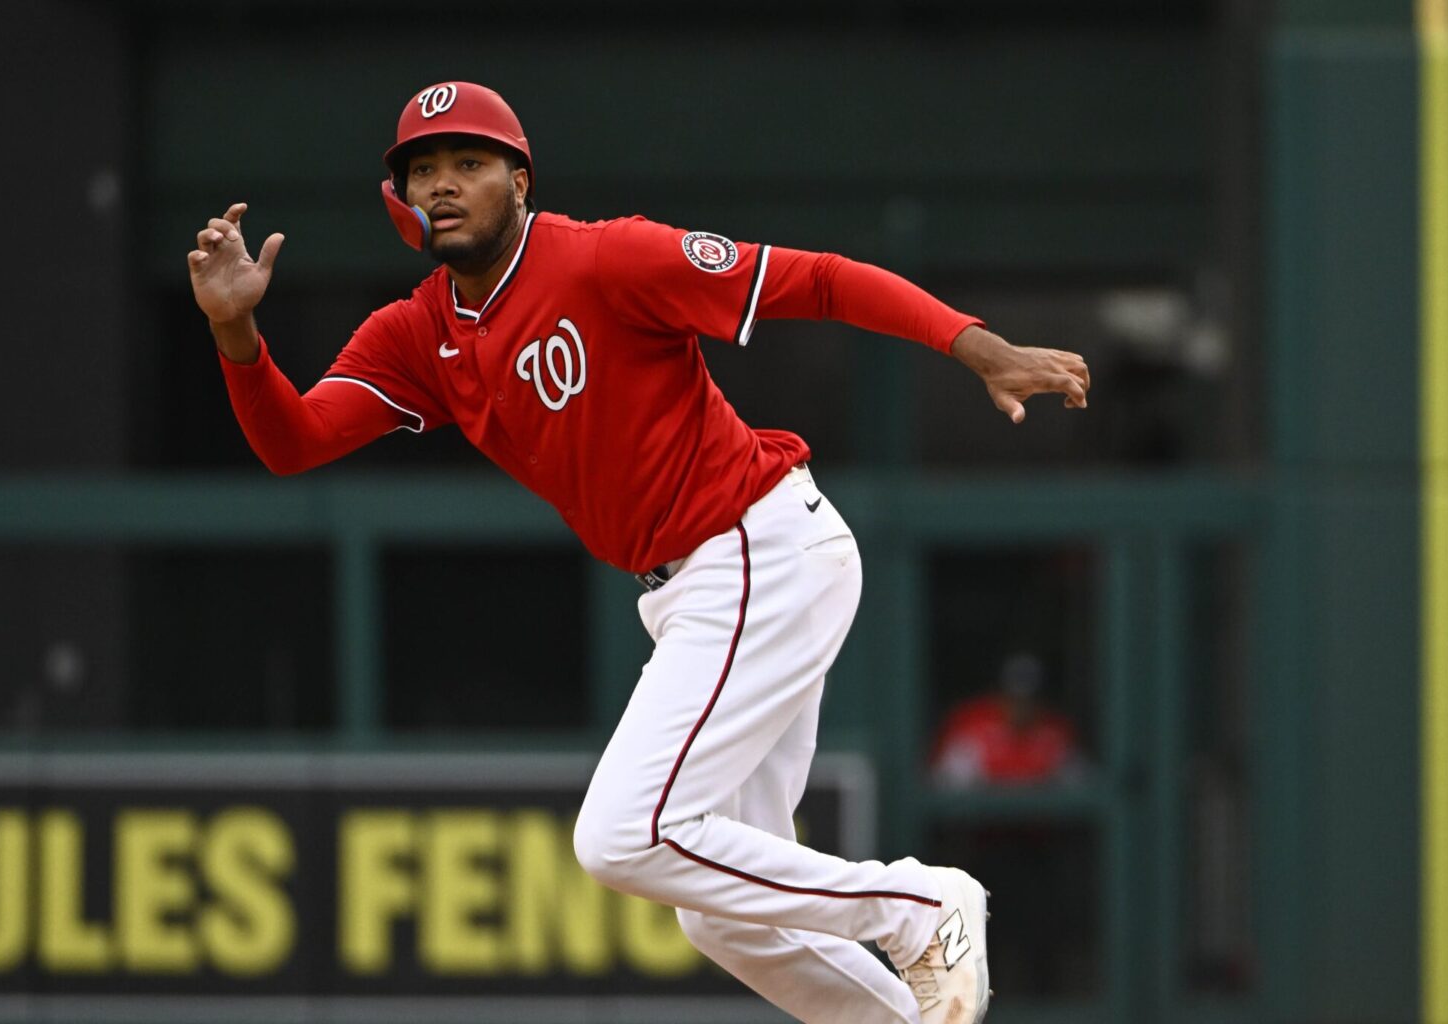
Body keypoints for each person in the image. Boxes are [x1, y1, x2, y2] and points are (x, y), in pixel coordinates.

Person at [187, 81, 1090, 1024]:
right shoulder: (418, 333)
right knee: (724, 916)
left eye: (469, 162)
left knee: (623, 835)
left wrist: (975, 345)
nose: (443, 184)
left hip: (754, 548)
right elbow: (295, 442)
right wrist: (234, 330)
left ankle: (920, 907)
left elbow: (817, 278)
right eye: (423, 169)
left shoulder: (605, 258)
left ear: (520, 181)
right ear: (400, 199)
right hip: (698, 588)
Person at [930, 653, 1089, 789]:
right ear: (1000, 695)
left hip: (1038, 816)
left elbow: (1080, 783)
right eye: (1014, 699)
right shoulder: (973, 725)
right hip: (985, 816)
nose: (1021, 707)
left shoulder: (1055, 731)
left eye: (1028, 700)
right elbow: (947, 785)